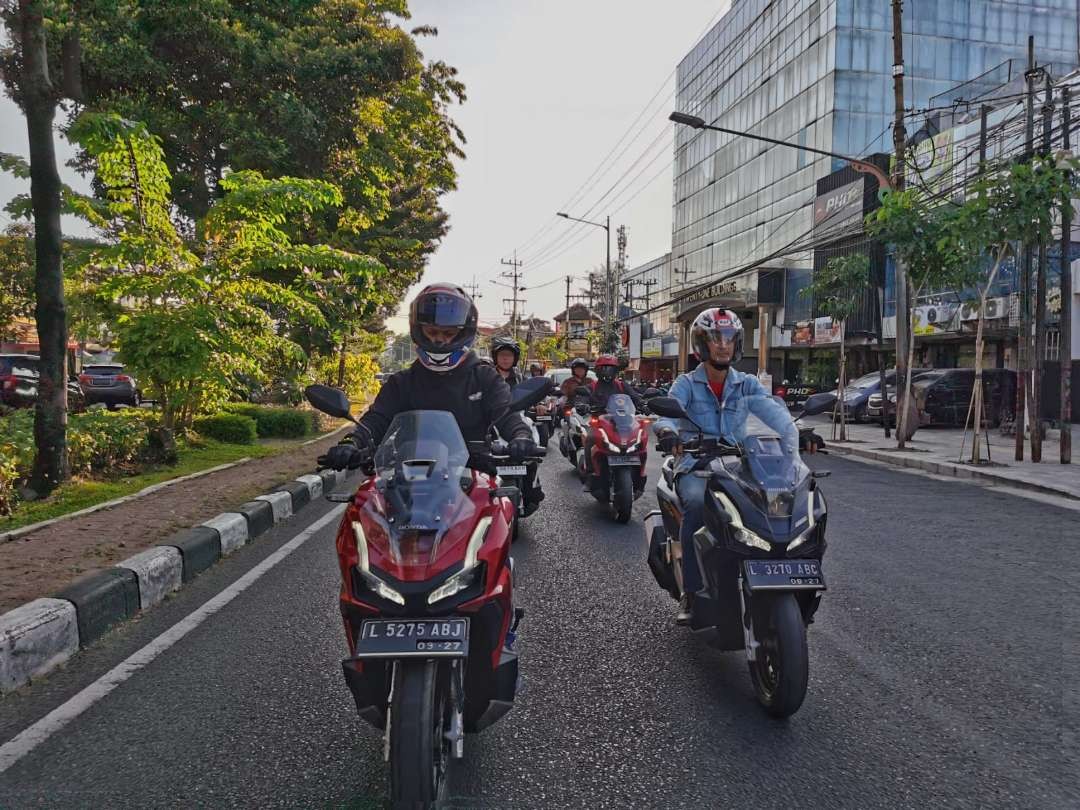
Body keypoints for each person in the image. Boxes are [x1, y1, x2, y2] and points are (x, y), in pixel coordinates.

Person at [653, 308, 798, 625]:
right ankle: (691, 591)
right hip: (697, 465)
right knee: (695, 505)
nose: (723, 345)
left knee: (769, 503)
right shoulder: (687, 384)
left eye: (730, 338)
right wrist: (667, 432)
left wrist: (796, 431)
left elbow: (773, 413)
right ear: (702, 344)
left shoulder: (747, 384)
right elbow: (665, 416)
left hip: (739, 464)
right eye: (716, 338)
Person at [321, 283, 535, 471]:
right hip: (407, 478)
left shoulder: (485, 377)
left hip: (473, 474)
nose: (439, 340)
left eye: (448, 333)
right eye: (432, 332)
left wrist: (521, 436)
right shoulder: (402, 382)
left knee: (499, 511)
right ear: (418, 331)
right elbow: (377, 419)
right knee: (362, 508)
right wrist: (351, 443)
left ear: (464, 333)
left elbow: (506, 414)